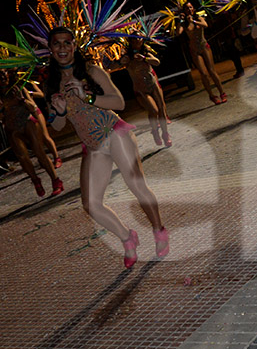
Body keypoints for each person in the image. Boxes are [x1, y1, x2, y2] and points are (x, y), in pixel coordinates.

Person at [45, 27, 168, 267]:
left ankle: (159, 230)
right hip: (92, 146)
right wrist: (59, 112)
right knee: (91, 204)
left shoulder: (92, 72)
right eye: (57, 44)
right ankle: (127, 236)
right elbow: (58, 126)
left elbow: (119, 102)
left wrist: (87, 97)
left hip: (114, 133)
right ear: (50, 49)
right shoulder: (51, 84)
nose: (62, 48)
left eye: (67, 42)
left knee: (136, 185)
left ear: (74, 46)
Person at [0, 69, 64, 197]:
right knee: (23, 157)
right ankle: (35, 180)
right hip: (12, 128)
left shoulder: (18, 88)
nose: (2, 78)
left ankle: (56, 181)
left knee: (39, 152)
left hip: (27, 122)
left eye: (4, 74)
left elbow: (33, 107)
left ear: (8, 74)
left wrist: (23, 99)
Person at [110, 38, 172, 147]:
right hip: (141, 89)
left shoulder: (145, 52)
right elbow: (111, 67)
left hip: (153, 85)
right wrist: (121, 62)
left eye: (139, 38)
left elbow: (157, 62)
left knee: (162, 108)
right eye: (135, 38)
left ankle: (165, 134)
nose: (137, 40)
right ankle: (155, 131)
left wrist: (144, 58)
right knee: (154, 110)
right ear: (131, 41)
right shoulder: (127, 56)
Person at [178, 1, 228, 105]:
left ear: (193, 9)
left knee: (212, 71)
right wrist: (181, 20)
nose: (189, 9)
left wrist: (194, 22)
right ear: (184, 11)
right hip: (194, 50)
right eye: (187, 8)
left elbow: (205, 25)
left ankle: (222, 92)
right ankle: (211, 95)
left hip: (204, 46)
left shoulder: (198, 18)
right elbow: (179, 32)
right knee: (204, 74)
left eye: (190, 7)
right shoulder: (184, 23)